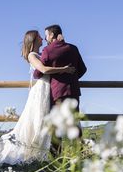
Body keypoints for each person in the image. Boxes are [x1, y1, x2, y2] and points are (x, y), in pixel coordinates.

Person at [0, 30, 76, 166]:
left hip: (48, 88)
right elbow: (44, 70)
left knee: (47, 121)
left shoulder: (43, 53)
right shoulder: (32, 55)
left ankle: (48, 155)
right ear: (34, 40)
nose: (42, 38)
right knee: (37, 121)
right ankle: (33, 154)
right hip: (41, 89)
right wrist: (64, 69)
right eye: (40, 36)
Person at [33, 24, 88, 154]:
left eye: (46, 35)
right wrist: (72, 78)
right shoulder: (73, 48)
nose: (45, 38)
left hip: (56, 92)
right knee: (74, 122)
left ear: (51, 35)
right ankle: (79, 154)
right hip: (73, 90)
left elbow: (37, 73)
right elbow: (83, 69)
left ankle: (57, 156)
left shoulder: (48, 50)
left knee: (56, 124)